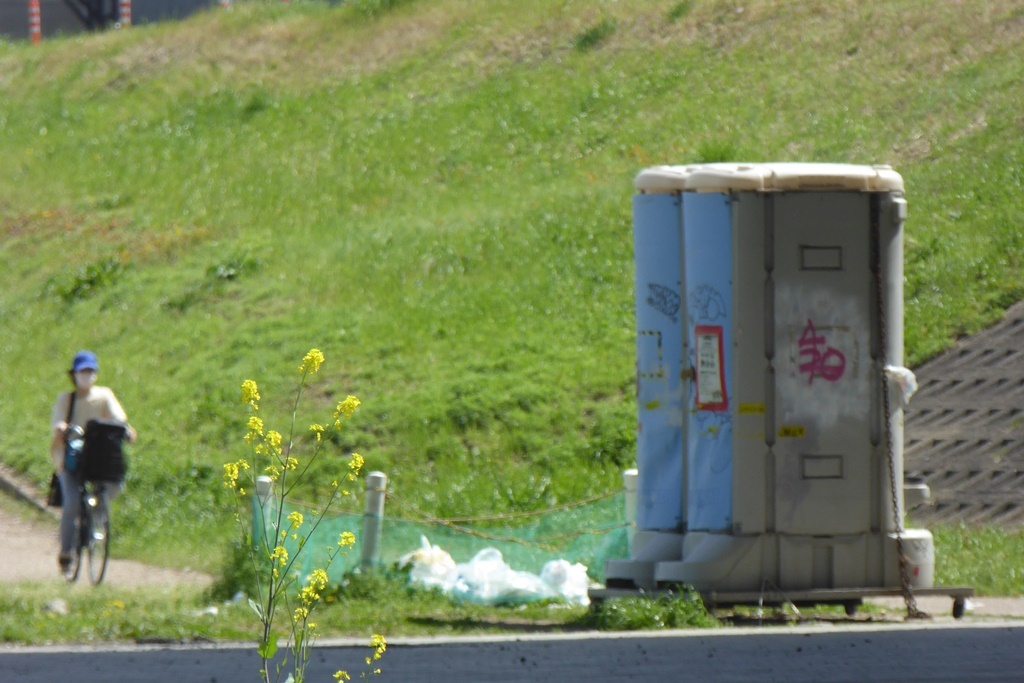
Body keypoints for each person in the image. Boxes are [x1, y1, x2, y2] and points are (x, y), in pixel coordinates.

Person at [49, 350, 137, 577]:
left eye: (90, 371)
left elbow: (119, 418)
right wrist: (62, 429)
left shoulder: (104, 395)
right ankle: (67, 553)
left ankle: (94, 523)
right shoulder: (66, 399)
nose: (86, 375)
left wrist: (125, 431)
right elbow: (57, 424)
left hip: (97, 457)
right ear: (74, 374)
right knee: (72, 503)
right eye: (82, 371)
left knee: (112, 486)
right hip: (70, 460)